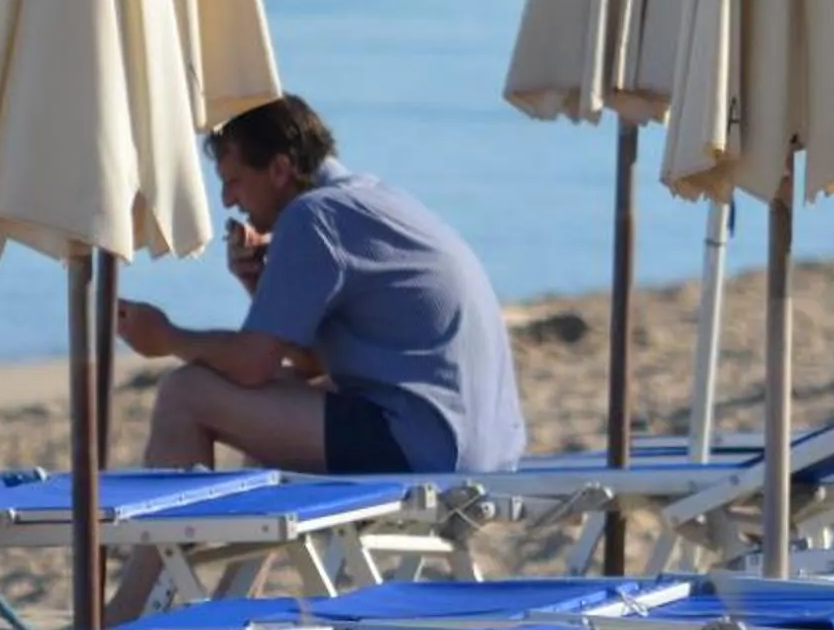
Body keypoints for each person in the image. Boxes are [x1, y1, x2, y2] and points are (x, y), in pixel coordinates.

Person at [111, 94, 527, 480]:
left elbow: (252, 364)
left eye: (234, 180)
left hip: (427, 448)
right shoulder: (368, 197)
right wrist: (259, 284)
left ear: (279, 169)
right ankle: (238, 558)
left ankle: (155, 562)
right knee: (268, 404)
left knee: (187, 392)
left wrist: (165, 337)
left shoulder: (313, 217)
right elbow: (316, 365)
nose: (227, 200)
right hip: (482, 451)